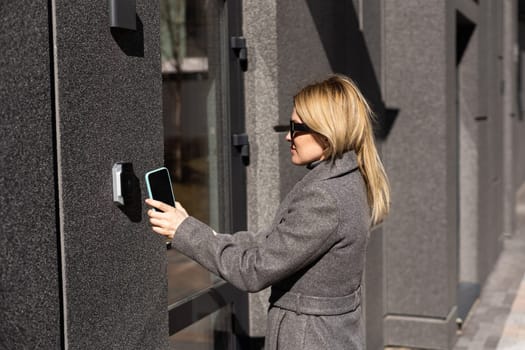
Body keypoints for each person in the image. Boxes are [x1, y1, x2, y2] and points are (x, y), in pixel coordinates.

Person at [145, 74, 390, 350]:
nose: (287, 136)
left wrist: (184, 232)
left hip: (308, 339)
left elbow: (253, 270)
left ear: (326, 132)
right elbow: (276, 241)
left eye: (296, 127)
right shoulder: (348, 178)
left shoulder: (324, 197)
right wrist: (204, 232)